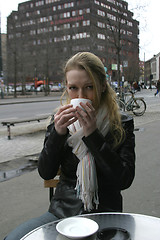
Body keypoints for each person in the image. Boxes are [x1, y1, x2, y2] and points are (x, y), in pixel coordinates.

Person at [5, 52, 135, 240]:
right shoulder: (60, 121)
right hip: (62, 213)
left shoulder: (121, 124)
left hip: (106, 214)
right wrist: (57, 133)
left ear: (102, 86)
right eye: (73, 88)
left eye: (89, 87)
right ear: (67, 88)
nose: (81, 96)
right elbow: (46, 172)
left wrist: (93, 135)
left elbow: (124, 179)